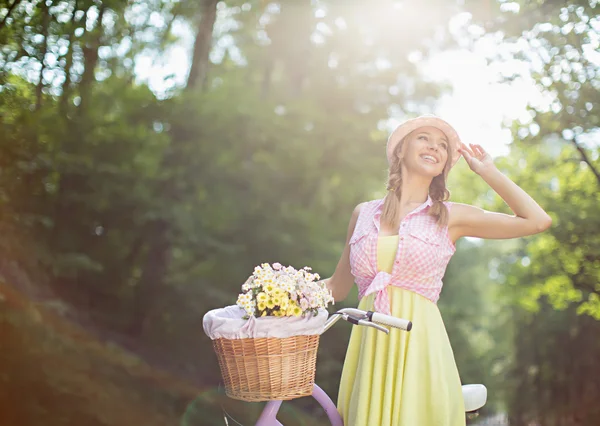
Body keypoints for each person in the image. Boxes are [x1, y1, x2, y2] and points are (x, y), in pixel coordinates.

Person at [323, 115, 552, 426]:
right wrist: (274, 293)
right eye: (424, 138)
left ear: (445, 163)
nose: (434, 146)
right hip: (370, 350)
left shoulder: (450, 216)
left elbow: (537, 221)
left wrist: (488, 172)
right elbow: (335, 288)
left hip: (421, 347)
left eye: (443, 144)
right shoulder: (362, 214)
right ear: (401, 150)